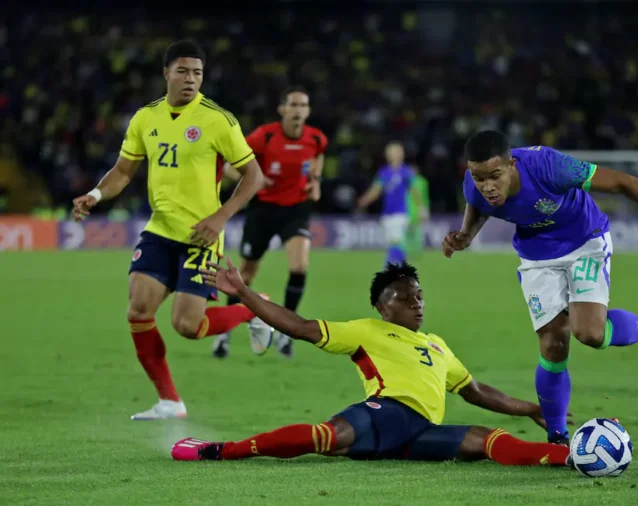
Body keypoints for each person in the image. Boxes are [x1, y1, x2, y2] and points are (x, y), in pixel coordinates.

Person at [442, 130, 638, 445]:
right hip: (536, 256)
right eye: (479, 178)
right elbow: (477, 207)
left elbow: (627, 183)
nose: (487, 186)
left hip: (585, 240)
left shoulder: (548, 166)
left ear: (512, 165)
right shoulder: (473, 185)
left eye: (494, 176)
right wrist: (466, 235)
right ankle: (558, 439)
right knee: (552, 341)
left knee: (591, 334)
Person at [171, 260, 573, 468]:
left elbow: (476, 391)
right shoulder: (365, 331)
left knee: (487, 440)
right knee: (328, 436)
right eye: (405, 298)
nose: (416, 303)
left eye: (419, 296)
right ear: (383, 308)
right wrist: (243, 293)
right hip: (385, 413)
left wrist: (533, 408)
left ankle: (569, 458)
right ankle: (223, 450)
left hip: (419, 434)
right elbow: (300, 326)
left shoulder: (437, 345)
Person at [71, 40, 265, 420]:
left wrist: (221, 217)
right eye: (183, 71)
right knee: (138, 311)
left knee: (187, 326)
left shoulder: (218, 120)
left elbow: (254, 176)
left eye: (197, 73)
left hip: (201, 236)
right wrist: (95, 194)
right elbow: (124, 171)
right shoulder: (146, 118)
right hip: (160, 231)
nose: (190, 79)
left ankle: (254, 310)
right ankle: (170, 402)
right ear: (166, 74)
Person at [212, 86, 328, 360]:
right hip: (262, 210)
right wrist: (253, 179)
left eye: (304, 105)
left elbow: (318, 156)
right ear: (283, 109)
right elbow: (230, 165)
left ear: (308, 111)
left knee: (299, 266)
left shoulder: (316, 138)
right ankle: (223, 333)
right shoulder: (264, 136)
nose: (299, 110)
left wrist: (315, 181)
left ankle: (287, 333)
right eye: (294, 105)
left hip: (296, 210)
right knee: (246, 275)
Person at [356, 142, 427, 266]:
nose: (391, 154)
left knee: (396, 242)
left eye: (394, 152)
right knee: (394, 243)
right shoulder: (384, 172)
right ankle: (400, 268)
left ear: (401, 154)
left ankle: (388, 268)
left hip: (401, 213)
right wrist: (364, 200)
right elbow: (376, 190)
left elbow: (414, 191)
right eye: (389, 152)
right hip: (387, 214)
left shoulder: (406, 172)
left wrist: (421, 208)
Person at [405, 166, 430, 258]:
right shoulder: (408, 181)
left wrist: (425, 209)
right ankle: (410, 251)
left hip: (415, 210)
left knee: (416, 232)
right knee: (410, 233)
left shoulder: (421, 182)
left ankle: (417, 251)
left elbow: (425, 196)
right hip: (409, 210)